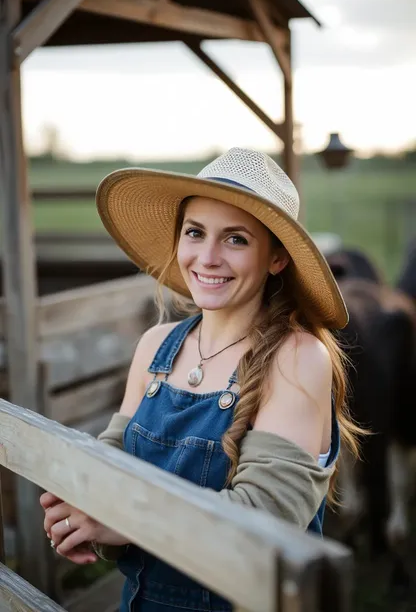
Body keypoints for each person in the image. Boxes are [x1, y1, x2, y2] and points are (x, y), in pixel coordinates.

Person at [41, 147, 362, 612]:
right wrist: (78, 505)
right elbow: (112, 461)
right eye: (195, 233)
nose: (208, 258)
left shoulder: (296, 358)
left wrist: (122, 519)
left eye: (235, 239)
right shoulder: (156, 346)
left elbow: (264, 523)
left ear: (276, 259)